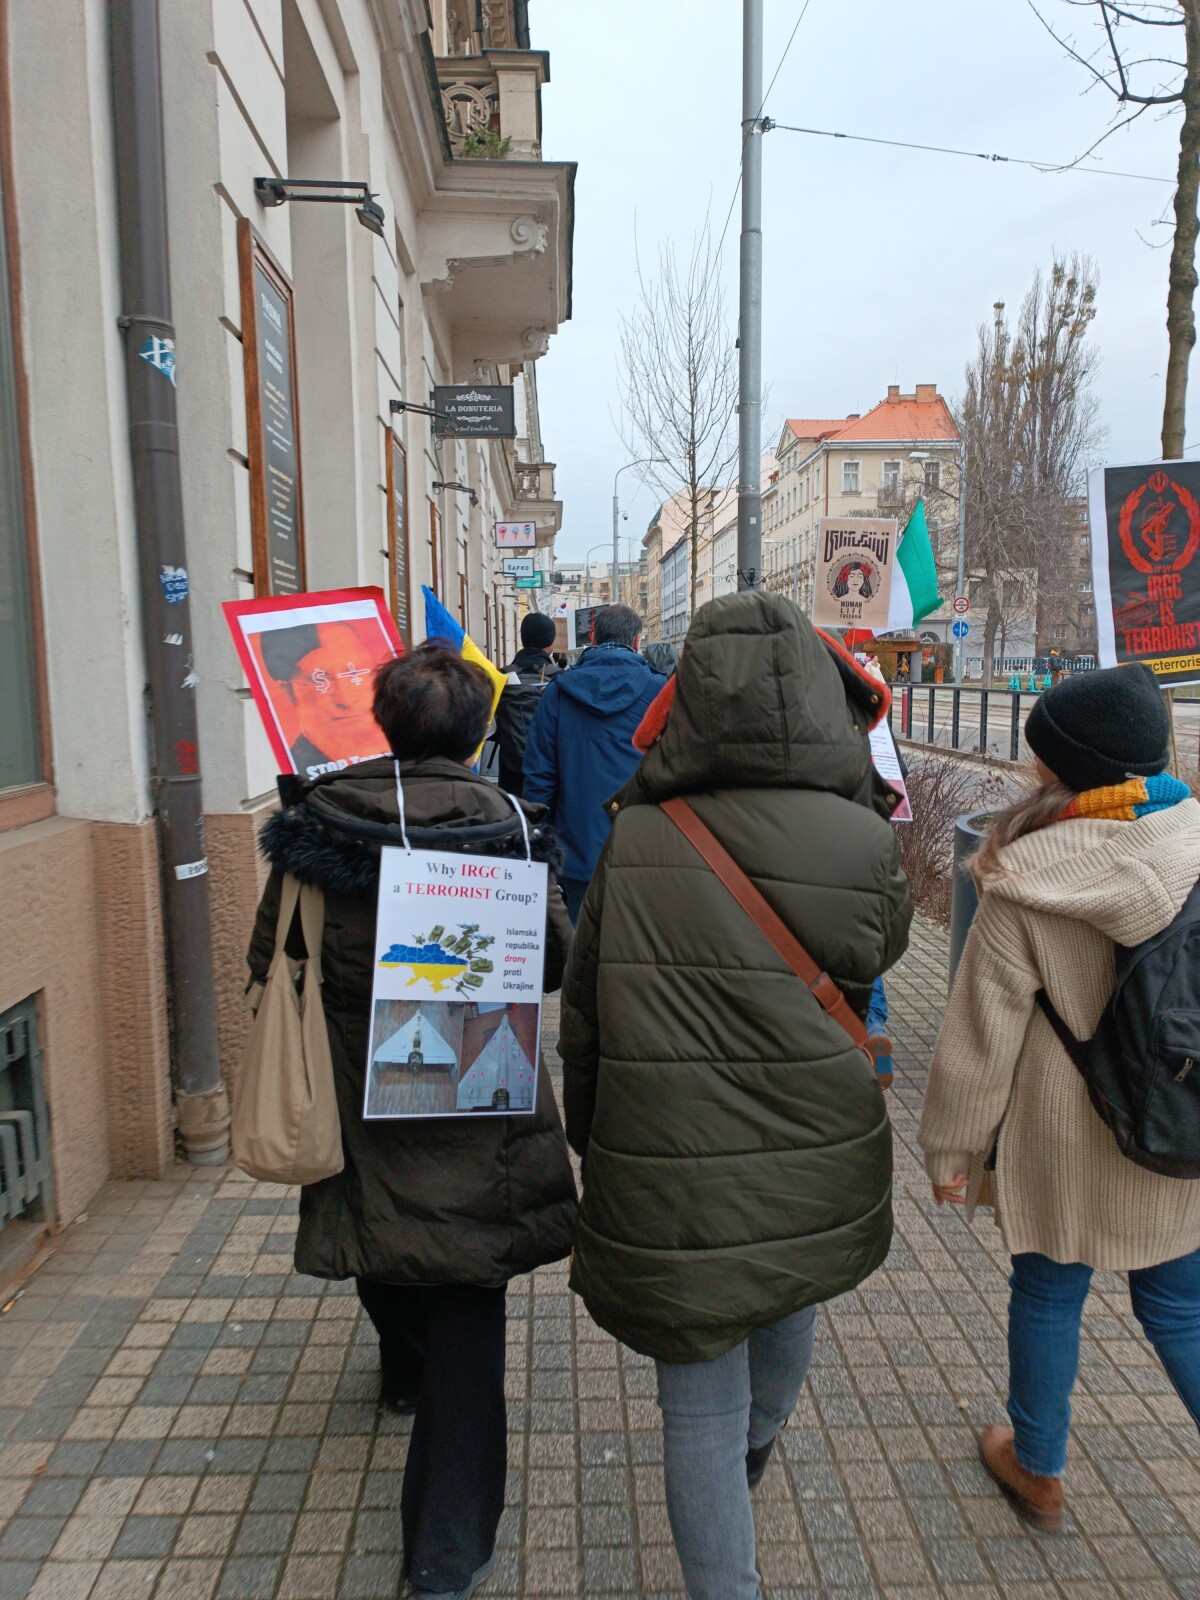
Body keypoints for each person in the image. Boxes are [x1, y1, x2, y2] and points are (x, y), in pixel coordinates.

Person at [559, 591, 912, 1600]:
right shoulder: (862, 836)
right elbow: (878, 956)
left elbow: (585, 1012)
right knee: (788, 1292)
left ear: (692, 699)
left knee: (695, 1413)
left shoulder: (637, 835)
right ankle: (762, 1440)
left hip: (667, 1160)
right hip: (814, 1141)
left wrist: (593, 1136)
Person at [246, 644, 577, 1600]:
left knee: (382, 1233)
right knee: (467, 1305)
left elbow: (271, 959)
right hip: (480, 1095)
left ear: (384, 725)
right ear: (477, 733)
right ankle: (445, 1554)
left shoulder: (319, 825)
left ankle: (402, 1367)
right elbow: (553, 965)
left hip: (357, 1097)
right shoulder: (507, 825)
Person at [918, 663, 1200, 1533]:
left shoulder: (1022, 875)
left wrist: (952, 1151)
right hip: (1177, 1122)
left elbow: (979, 1041)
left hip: (1063, 1136)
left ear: (1062, 767)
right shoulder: (1191, 838)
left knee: (1046, 1293)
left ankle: (1037, 1470)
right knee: (1180, 1307)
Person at [523, 603, 665, 922]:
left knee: (578, 941)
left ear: (592, 637)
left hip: (575, 849)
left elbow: (539, 778)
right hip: (643, 850)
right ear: (637, 641)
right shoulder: (660, 692)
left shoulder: (558, 694)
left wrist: (539, 842)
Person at [257, 619, 391, 779]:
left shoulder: (406, 749)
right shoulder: (298, 775)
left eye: (354, 673)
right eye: (320, 679)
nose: (346, 699)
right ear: (289, 692)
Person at [490, 610, 561, 796]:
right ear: (551, 642)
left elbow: (490, 727)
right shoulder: (561, 679)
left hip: (511, 774)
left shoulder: (502, 676)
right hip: (550, 773)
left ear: (522, 639)